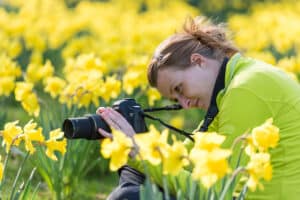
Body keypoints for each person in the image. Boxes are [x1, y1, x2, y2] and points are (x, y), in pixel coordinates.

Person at [97, 16, 300, 200]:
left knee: (130, 196)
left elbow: (217, 190)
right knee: (135, 185)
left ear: (198, 61)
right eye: (175, 97)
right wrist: (136, 149)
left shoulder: (244, 89)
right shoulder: (233, 84)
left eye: (179, 88)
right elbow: (191, 156)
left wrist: (140, 154)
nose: (184, 104)